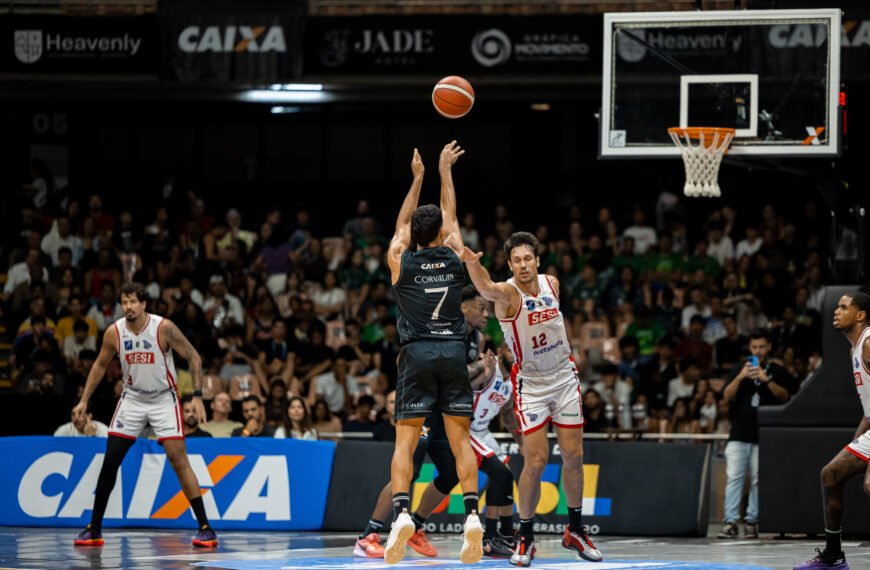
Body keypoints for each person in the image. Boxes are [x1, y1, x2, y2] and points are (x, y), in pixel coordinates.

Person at [464, 231, 603, 566]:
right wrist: (472, 264)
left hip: (564, 377)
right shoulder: (507, 294)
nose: (523, 265)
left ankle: (575, 530)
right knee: (536, 461)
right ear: (510, 265)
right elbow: (486, 288)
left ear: (537, 260)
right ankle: (524, 536)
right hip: (532, 384)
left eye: (528, 258)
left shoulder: (552, 283)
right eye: (517, 260)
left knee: (574, 456)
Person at [381, 141, 482, 565]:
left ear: (413, 237)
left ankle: (402, 513)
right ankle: (472, 516)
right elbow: (451, 213)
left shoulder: (400, 260)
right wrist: (445, 171)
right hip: (453, 353)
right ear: (441, 233)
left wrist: (417, 177)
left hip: (417, 353)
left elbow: (403, 223)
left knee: (405, 442)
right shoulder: (455, 252)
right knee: (460, 441)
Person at [71, 282, 217, 548]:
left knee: (178, 460)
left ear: (144, 304)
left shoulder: (163, 327)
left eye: (133, 302)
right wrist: (83, 400)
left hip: (163, 398)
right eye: (124, 302)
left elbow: (194, 357)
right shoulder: (114, 332)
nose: (128, 307)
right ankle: (94, 529)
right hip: (133, 399)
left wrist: (197, 396)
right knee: (110, 460)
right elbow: (100, 365)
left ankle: (205, 528)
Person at [794, 291, 870, 570]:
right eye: (837, 307)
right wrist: (858, 440)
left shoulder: (869, 343)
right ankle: (833, 556)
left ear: (860, 315)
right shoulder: (855, 350)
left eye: (844, 307)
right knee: (832, 474)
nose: (836, 311)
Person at [718, 328, 795, 540]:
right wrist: (741, 377)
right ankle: (730, 522)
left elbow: (785, 396)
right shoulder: (739, 368)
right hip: (739, 432)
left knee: (758, 480)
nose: (758, 351)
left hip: (765, 434)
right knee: (734, 477)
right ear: (749, 348)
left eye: (762, 346)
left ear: (769, 347)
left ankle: (752, 521)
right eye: (754, 347)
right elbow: (725, 397)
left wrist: (765, 378)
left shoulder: (778, 370)